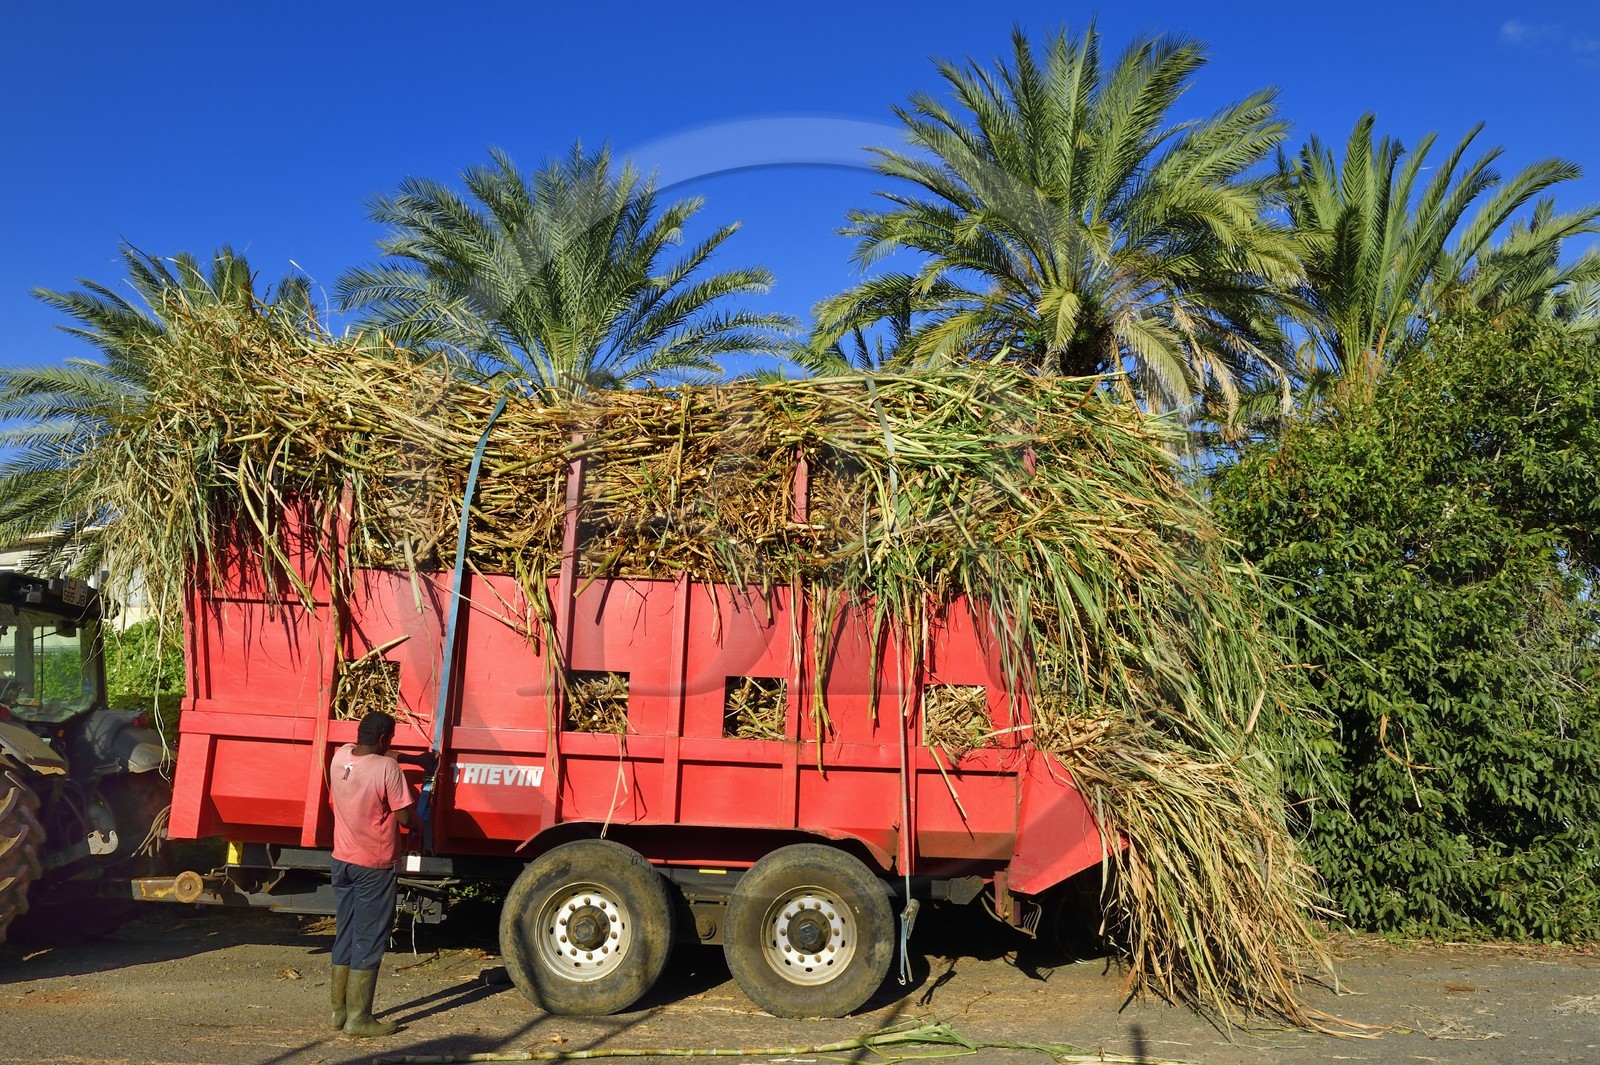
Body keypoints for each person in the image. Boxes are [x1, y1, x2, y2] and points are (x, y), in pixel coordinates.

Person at [327, 710, 434, 1038]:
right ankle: (359, 1019)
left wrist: (415, 759)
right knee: (369, 938)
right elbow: (404, 818)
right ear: (386, 738)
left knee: (345, 933)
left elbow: (377, 752)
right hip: (372, 865)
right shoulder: (388, 769)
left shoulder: (341, 755)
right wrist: (421, 825)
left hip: (341, 861)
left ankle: (339, 1012)